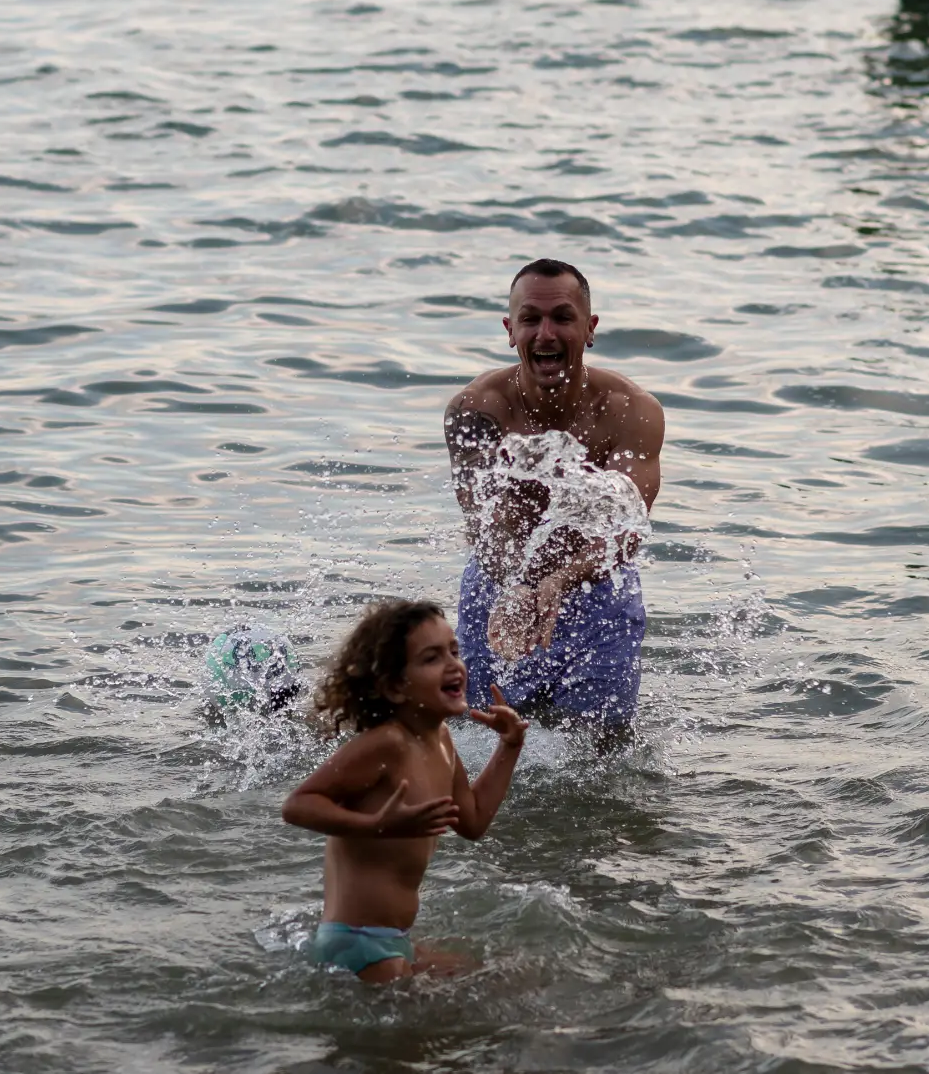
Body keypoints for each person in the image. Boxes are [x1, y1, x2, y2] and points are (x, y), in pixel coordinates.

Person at [444, 259, 664, 739]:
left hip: (598, 591)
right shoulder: (477, 409)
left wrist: (559, 583)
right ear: (510, 330)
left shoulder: (632, 411)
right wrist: (519, 588)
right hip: (498, 585)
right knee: (477, 737)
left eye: (563, 317)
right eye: (530, 319)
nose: (546, 333)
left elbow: (627, 530)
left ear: (589, 328)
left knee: (604, 754)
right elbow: (483, 524)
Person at [281, 599, 527, 983]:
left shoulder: (441, 739)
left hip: (393, 940)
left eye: (454, 651)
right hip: (357, 943)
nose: (453, 665)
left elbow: (474, 820)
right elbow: (297, 805)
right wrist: (376, 824)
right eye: (431, 658)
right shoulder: (387, 744)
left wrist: (509, 747)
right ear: (395, 687)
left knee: (512, 978)